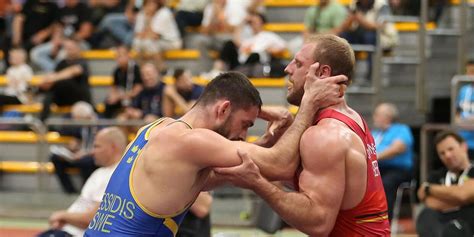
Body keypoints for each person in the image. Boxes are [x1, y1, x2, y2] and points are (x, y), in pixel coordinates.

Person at [84, 70, 347, 235]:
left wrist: (266, 139)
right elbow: (280, 165)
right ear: (222, 109)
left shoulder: (155, 129)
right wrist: (308, 105)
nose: (243, 136)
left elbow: (210, 177)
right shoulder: (192, 141)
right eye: (245, 125)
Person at [214, 34, 390, 236]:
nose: (287, 69)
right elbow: (308, 177)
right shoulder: (350, 118)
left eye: (297, 63)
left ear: (322, 73)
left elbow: (318, 222)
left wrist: (257, 183)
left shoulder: (325, 135)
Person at [38, 127, 128, 237]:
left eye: (97, 146)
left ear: (112, 148)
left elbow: (94, 219)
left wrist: (62, 216)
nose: (92, 151)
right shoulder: (100, 172)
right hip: (67, 230)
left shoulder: (116, 175)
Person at [416, 130, 474, 237]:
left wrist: (429, 188)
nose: (447, 155)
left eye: (451, 149)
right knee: (426, 214)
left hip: (467, 225)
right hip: (441, 226)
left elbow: (463, 194)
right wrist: (464, 200)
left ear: (463, 147)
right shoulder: (436, 175)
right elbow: (428, 200)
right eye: (442, 153)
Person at [372, 102, 414, 220]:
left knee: (385, 183)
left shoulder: (401, 129)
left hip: (398, 170)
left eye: (377, 114)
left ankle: (384, 221)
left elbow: (398, 148)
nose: (374, 117)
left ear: (388, 116)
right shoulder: (376, 133)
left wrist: (376, 156)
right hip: (377, 168)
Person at [50, 101, 99, 194]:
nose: (77, 121)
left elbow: (99, 146)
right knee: (56, 158)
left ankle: (86, 192)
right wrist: (75, 146)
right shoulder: (84, 126)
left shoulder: (100, 125)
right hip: (82, 153)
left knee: (85, 161)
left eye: (78, 118)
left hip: (92, 156)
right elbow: (83, 141)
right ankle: (70, 191)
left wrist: (85, 153)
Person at [38, 37, 91, 121]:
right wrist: (46, 81)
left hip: (79, 98)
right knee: (49, 93)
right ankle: (42, 121)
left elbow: (74, 71)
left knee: (63, 82)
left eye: (71, 47)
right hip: (63, 97)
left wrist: (53, 78)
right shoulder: (62, 63)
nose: (69, 50)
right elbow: (53, 75)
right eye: (67, 48)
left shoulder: (82, 61)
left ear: (78, 47)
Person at [103, 45, 143, 119]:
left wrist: (122, 96)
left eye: (121, 55)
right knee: (108, 102)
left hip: (134, 98)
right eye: (117, 56)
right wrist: (113, 96)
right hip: (122, 97)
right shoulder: (117, 71)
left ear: (128, 55)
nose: (118, 58)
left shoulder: (135, 69)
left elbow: (139, 88)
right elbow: (113, 87)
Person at [455, 59, 474, 159]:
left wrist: (465, 121)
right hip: (463, 141)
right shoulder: (463, 90)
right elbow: (456, 113)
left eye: (472, 72)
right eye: (468, 72)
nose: (470, 75)